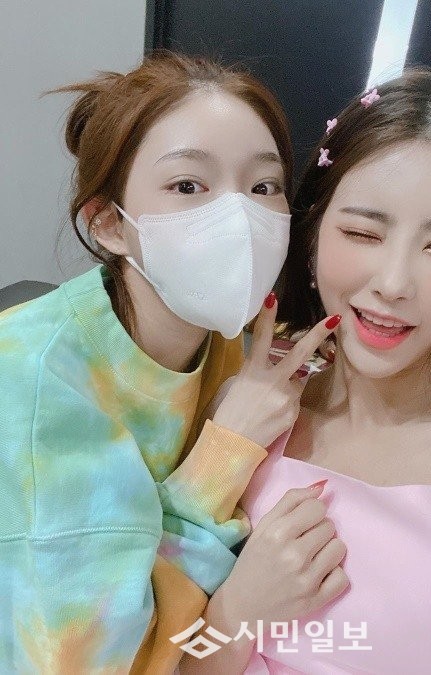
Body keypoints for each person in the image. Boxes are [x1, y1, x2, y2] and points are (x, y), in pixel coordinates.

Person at [0, 51, 344, 674]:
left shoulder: (232, 343)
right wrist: (238, 611)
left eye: (263, 187)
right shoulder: (33, 385)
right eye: (188, 186)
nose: (239, 219)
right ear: (109, 224)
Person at [192, 71, 431, 674]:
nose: (394, 283)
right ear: (312, 234)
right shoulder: (242, 417)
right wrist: (234, 615)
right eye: (362, 232)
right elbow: (164, 653)